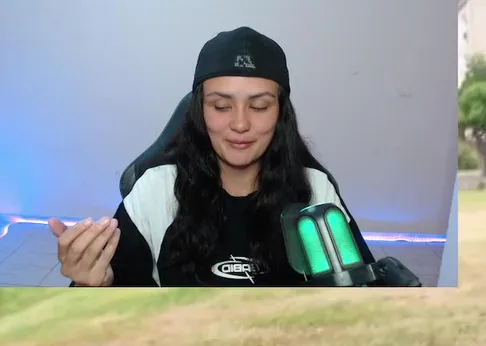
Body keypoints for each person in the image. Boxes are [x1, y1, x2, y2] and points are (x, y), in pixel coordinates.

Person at [51, 27, 375, 287]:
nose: (240, 123)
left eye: (259, 106)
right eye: (221, 106)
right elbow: (120, 307)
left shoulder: (315, 192)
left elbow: (358, 297)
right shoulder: (155, 191)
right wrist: (96, 284)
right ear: (200, 110)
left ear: (281, 114)